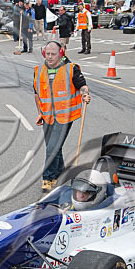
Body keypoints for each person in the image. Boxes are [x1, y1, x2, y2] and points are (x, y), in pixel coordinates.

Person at [33, 40, 91, 192]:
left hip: (65, 116)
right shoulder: (38, 70)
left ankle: (47, 178)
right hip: (47, 115)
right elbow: (37, 94)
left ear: (60, 54)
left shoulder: (71, 69)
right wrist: (39, 112)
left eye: (53, 54)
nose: (50, 57)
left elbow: (82, 86)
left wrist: (85, 95)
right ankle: (62, 174)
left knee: (52, 147)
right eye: (47, 54)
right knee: (54, 147)